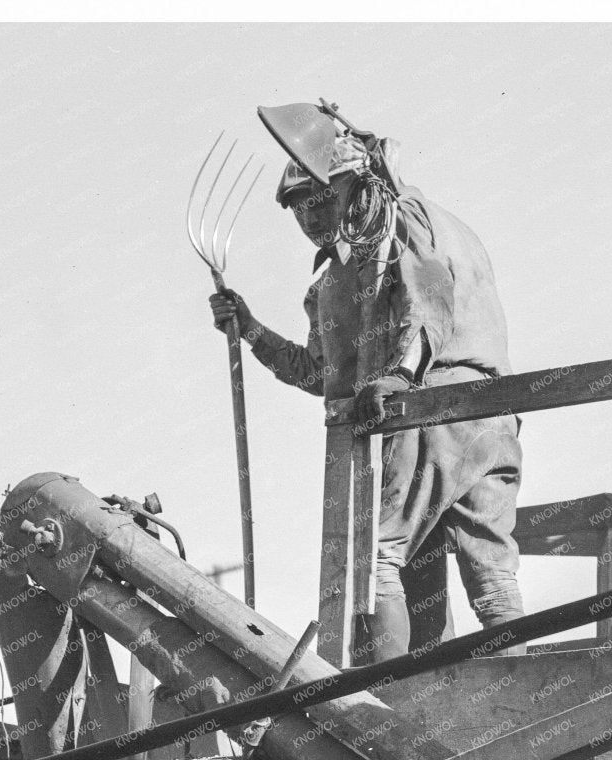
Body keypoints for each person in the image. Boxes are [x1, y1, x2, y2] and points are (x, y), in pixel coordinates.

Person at [209, 101, 524, 660]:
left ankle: (382, 711)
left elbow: (429, 301)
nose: (310, 219)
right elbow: (320, 373)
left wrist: (402, 374)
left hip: (436, 412)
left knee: (375, 561)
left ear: (356, 185)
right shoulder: (341, 274)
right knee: (487, 570)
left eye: (320, 198)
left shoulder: (408, 220)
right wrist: (251, 330)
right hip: (487, 419)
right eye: (299, 209)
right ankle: (492, 698)